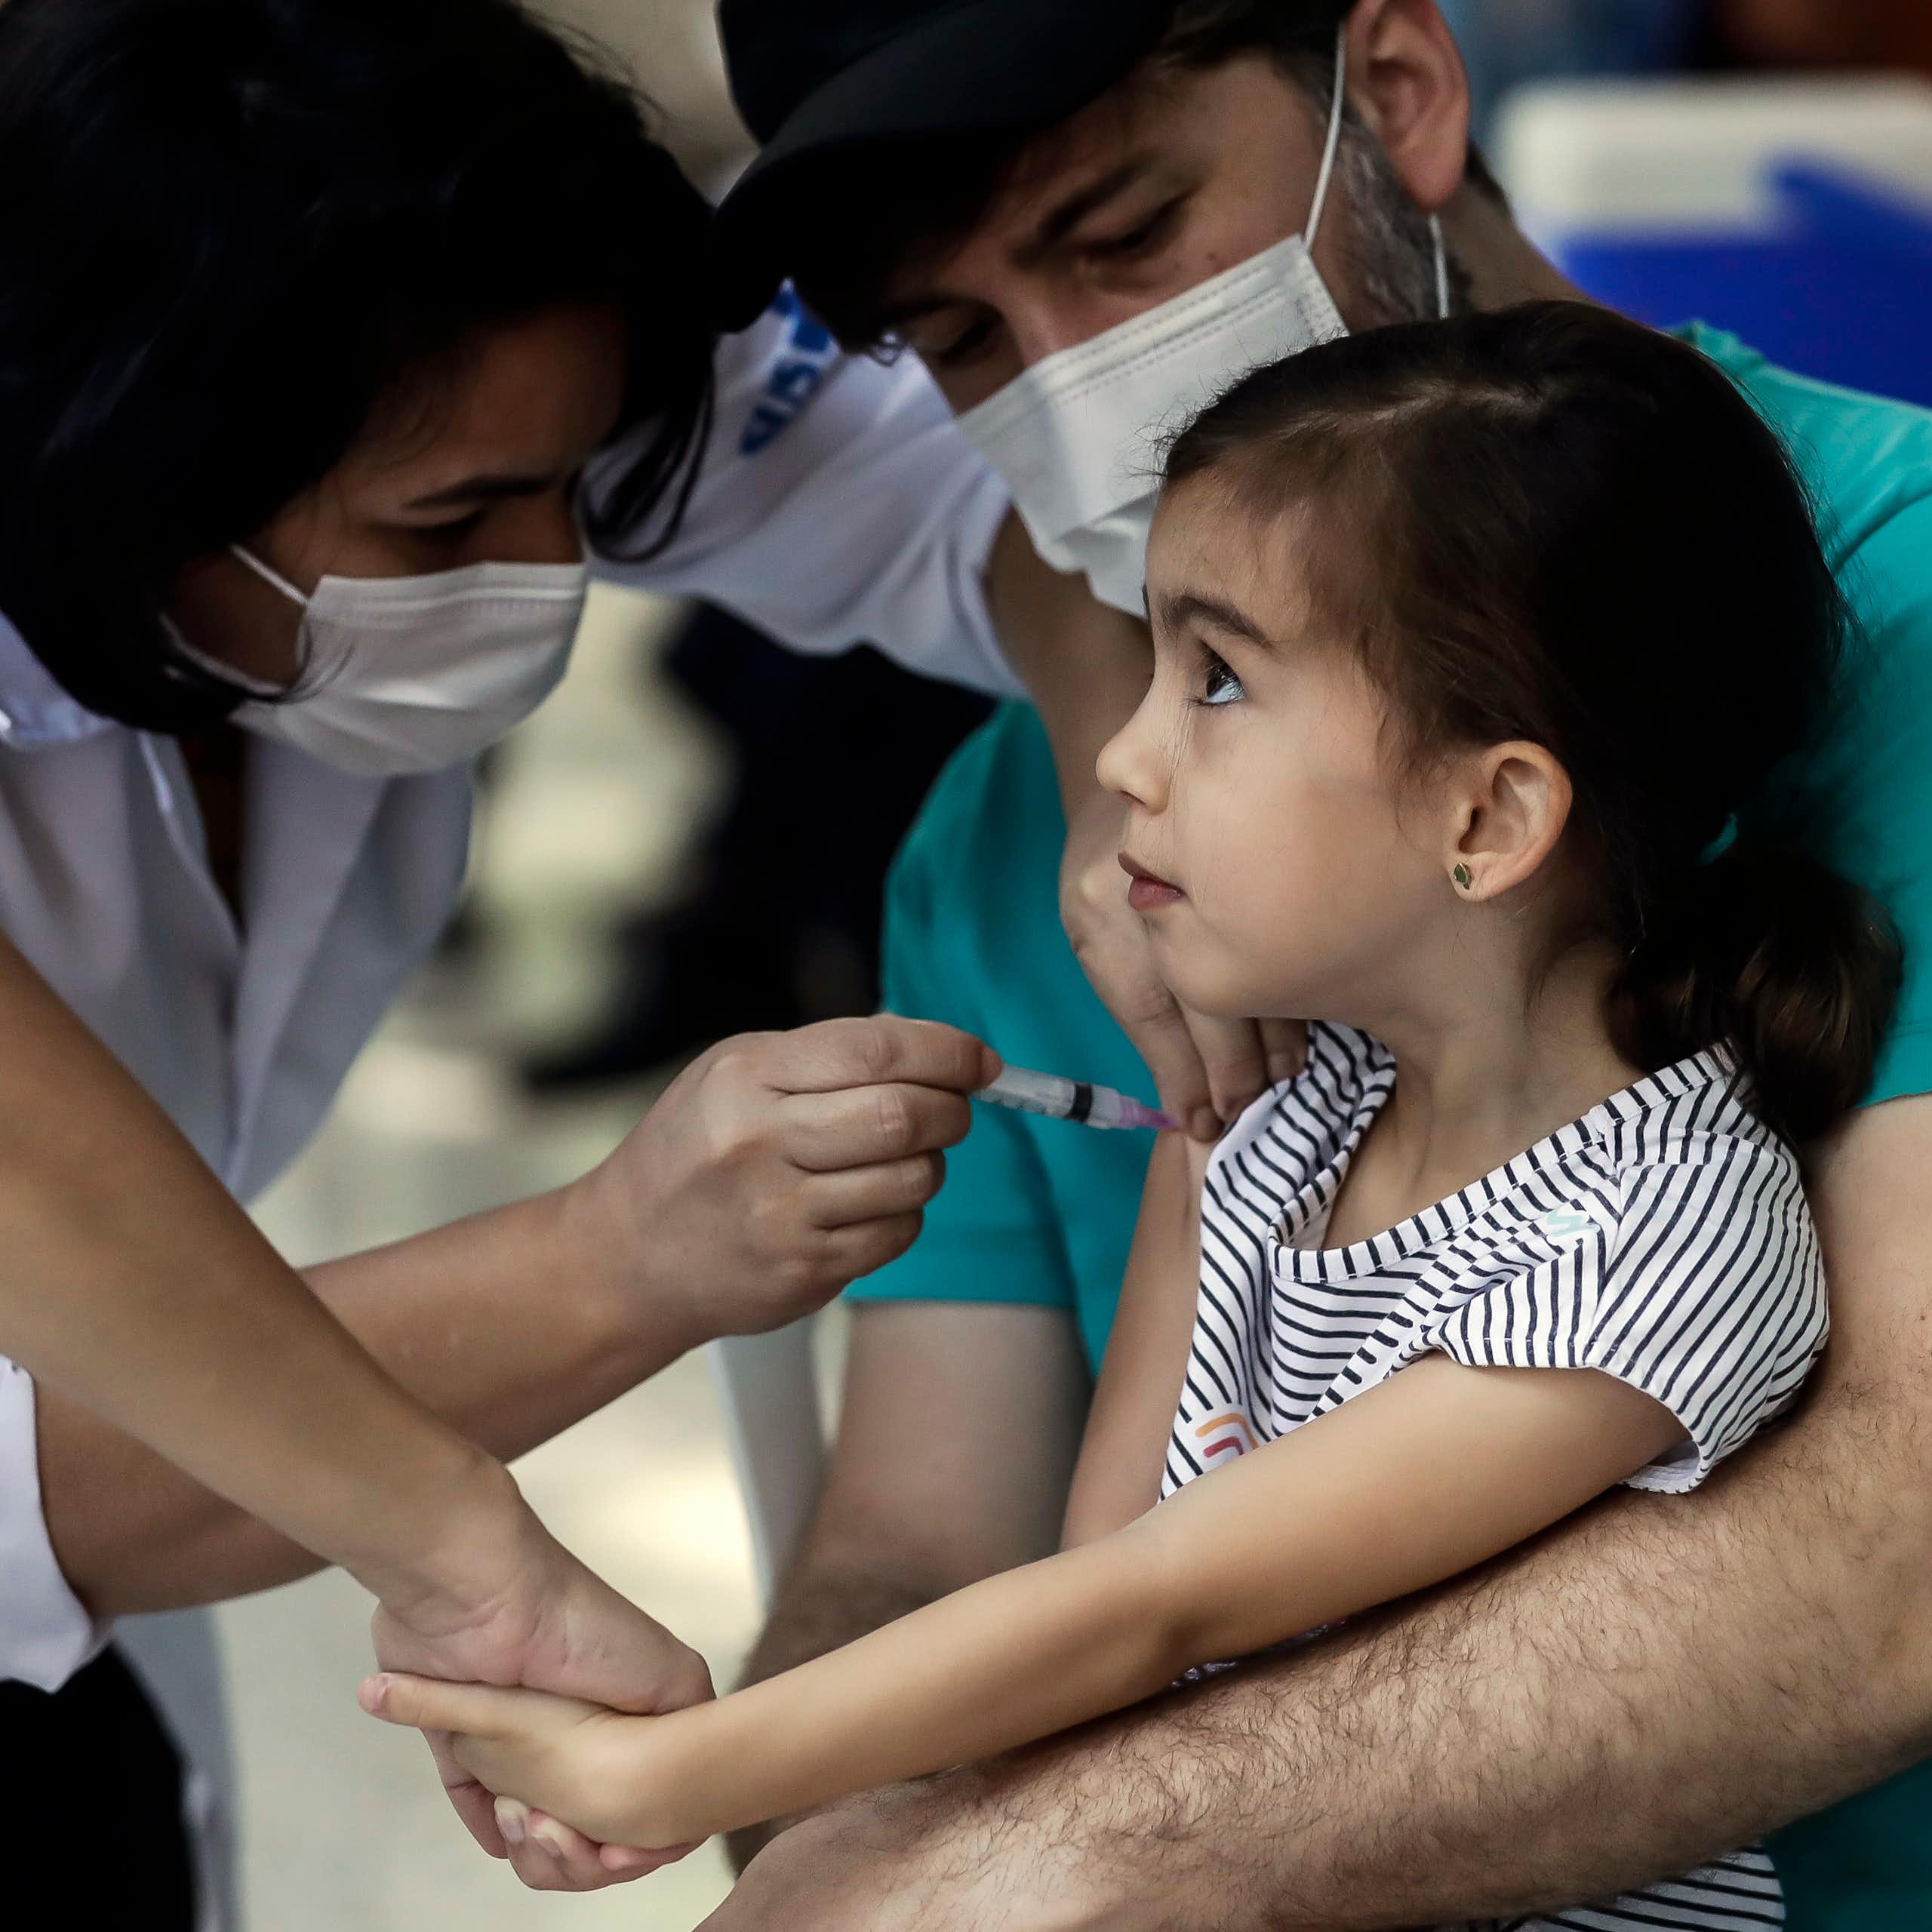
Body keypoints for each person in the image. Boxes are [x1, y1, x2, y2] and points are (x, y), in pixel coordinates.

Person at [364, 303, 1903, 1932]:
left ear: (1488, 811)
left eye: (1217, 680)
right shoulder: (1255, 1112)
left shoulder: (1655, 1240)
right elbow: (1088, 1597)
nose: (1121, 753)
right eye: (1154, 660)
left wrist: (683, 1772)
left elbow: (1151, 1604)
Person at [695, 2, 1932, 1925]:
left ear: (1403, 98)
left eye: (1124, 232)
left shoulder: (1905, 602)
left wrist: (1054, 1862)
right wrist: (816, 1835)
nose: (1068, 380)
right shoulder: (1009, 837)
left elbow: (1894, 1566)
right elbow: (929, 1548)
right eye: (953, 342)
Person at [0, 0, 1032, 1919]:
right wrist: (611, 1267)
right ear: (126, 464)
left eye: (577, 489)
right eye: (448, 520)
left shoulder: (485, 380)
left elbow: (1007, 513)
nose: (545, 577)